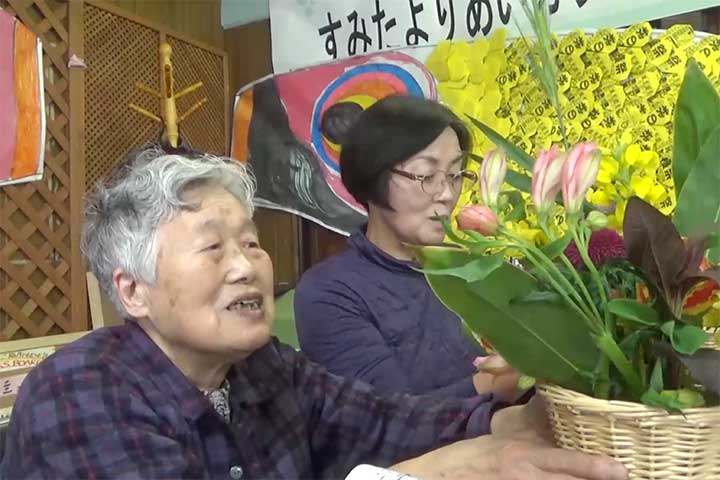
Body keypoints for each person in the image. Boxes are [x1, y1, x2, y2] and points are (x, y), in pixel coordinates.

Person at [1, 147, 626, 480]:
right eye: (213, 248)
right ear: (132, 292)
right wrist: (430, 473)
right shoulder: (78, 395)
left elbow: (385, 421)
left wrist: (523, 419)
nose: (248, 265)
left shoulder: (261, 366)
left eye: (249, 241)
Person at [296, 95, 517, 399]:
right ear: (373, 175)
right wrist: (500, 382)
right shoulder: (330, 291)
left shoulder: (470, 269)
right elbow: (391, 422)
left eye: (454, 175)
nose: (446, 194)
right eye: (427, 175)